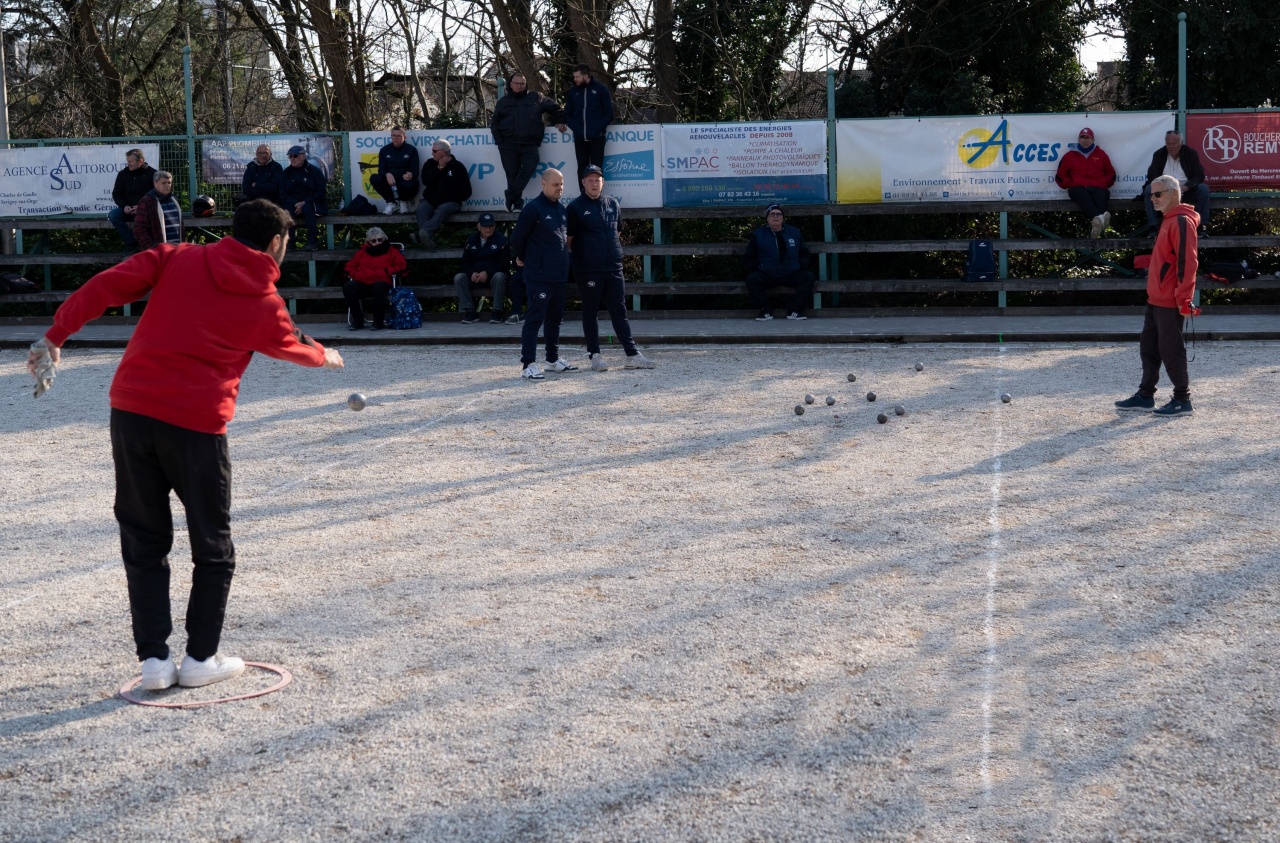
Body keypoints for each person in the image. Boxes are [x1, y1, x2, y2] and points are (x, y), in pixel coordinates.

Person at [26, 199, 344, 691]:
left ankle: (154, 661)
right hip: (197, 425)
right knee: (213, 545)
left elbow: (104, 286)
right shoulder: (266, 305)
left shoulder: (176, 256)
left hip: (132, 411)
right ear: (277, 242)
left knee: (143, 539)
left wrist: (56, 335)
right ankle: (200, 657)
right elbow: (295, 348)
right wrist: (325, 356)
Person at [1114, 175, 1199, 417]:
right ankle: (1145, 395)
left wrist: (1183, 298)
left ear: (1174, 193)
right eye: (1151, 194)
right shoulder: (1169, 220)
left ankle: (1182, 399)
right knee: (1149, 348)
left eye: (1157, 194)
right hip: (1156, 298)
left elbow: (1187, 263)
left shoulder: (1181, 221)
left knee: (1171, 350)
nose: (1152, 199)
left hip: (1170, 299)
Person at [567, 165, 654, 370]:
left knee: (619, 311)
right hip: (588, 269)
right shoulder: (574, 207)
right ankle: (595, 355)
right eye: (590, 180)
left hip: (613, 267)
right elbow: (569, 240)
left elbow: (617, 232)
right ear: (583, 182)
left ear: (603, 182)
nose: (594, 183)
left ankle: (632, 355)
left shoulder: (613, 204)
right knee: (590, 311)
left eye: (597, 180)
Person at [509, 168, 575, 379]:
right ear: (544, 184)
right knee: (534, 319)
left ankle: (552, 360)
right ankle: (528, 364)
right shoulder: (533, 209)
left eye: (561, 184)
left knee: (555, 319)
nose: (559, 188)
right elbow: (516, 239)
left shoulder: (561, 209)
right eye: (555, 184)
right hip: (539, 276)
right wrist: (523, 257)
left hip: (559, 275)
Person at [490, 73, 563, 213]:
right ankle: (517, 204)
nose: (519, 86)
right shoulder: (503, 102)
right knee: (511, 174)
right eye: (517, 83)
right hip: (508, 144)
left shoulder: (536, 97)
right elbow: (494, 123)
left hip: (530, 143)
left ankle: (510, 195)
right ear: (511, 84)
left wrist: (560, 121)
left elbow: (555, 108)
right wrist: (500, 141)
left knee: (530, 167)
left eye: (522, 84)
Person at [743, 204, 815, 321]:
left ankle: (794, 310)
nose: (775, 217)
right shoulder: (758, 234)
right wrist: (759, 267)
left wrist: (800, 265)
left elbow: (805, 254)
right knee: (752, 279)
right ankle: (765, 310)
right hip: (768, 274)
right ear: (767, 218)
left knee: (808, 277)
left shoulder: (795, 233)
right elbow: (749, 257)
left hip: (791, 273)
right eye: (772, 214)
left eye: (778, 214)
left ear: (783, 217)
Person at [1142, 131, 1211, 235]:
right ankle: (1153, 228)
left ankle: (1202, 226)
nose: (1171, 147)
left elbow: (1199, 175)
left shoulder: (1190, 153)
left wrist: (1187, 187)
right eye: (1168, 143)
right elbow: (1152, 175)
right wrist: (1164, 188)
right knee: (1149, 189)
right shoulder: (1159, 154)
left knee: (1204, 189)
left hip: (1186, 189)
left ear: (1181, 143)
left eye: (1174, 143)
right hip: (1165, 190)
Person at [556, 64, 615, 184]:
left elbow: (609, 114)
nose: (575, 79)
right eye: (574, 77)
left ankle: (597, 194)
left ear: (586, 76)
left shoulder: (601, 89)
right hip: (579, 138)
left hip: (597, 138)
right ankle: (583, 194)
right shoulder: (573, 92)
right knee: (582, 168)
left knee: (597, 169)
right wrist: (576, 128)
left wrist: (597, 128)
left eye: (577, 77)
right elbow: (568, 113)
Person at [1054, 127, 1116, 238]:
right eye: (1082, 137)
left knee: (1101, 194)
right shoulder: (1069, 156)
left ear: (1093, 140)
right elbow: (1060, 176)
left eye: (1088, 138)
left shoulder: (1101, 154)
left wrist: (1104, 182)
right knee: (1082, 195)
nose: (1085, 140)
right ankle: (1102, 218)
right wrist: (1070, 183)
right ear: (1078, 139)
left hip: (1098, 187)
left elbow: (1111, 174)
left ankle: (1097, 224)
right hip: (1078, 188)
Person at [343, 226, 406, 331]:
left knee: (379, 286)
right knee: (348, 287)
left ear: (384, 239)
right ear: (369, 242)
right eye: (374, 240)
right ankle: (357, 320)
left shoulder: (392, 251)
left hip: (384, 284)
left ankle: (378, 321)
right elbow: (349, 267)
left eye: (380, 239)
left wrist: (386, 271)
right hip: (364, 282)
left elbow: (402, 266)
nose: (377, 242)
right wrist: (358, 274)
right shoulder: (362, 252)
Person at [454, 212, 510, 324]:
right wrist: (471, 273)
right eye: (485, 226)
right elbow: (465, 262)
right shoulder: (471, 240)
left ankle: (497, 311)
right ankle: (470, 311)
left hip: (493, 277)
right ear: (479, 227)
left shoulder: (502, 240)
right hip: (475, 276)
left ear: (494, 226)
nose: (488, 229)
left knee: (500, 276)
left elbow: (504, 264)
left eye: (490, 226)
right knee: (459, 278)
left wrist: (487, 272)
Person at [416, 139, 472, 249]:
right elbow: (425, 181)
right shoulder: (430, 163)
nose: (432, 153)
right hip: (431, 201)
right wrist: (439, 168)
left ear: (443, 152)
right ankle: (427, 238)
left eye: (434, 151)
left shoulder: (458, 167)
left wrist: (454, 196)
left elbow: (467, 191)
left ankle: (421, 235)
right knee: (421, 209)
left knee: (442, 209)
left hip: (450, 202)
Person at [280, 144, 328, 248]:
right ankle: (290, 243)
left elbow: (321, 192)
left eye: (295, 156)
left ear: (303, 157)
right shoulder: (286, 173)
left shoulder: (314, 172)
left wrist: (304, 202)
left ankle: (312, 242)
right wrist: (296, 204)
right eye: (290, 156)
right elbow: (282, 193)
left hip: (310, 202)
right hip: (293, 203)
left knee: (308, 208)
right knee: (287, 211)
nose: (292, 158)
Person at [109, 149, 156, 251]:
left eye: (131, 161)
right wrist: (124, 206)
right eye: (127, 161)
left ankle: (149, 245)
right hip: (128, 209)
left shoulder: (153, 174)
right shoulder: (122, 174)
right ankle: (131, 242)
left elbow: (156, 194)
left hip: (146, 210)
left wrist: (142, 207)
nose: (128, 164)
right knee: (113, 215)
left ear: (140, 161)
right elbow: (116, 193)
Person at [370, 126, 420, 215]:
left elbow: (415, 171)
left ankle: (403, 202)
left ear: (404, 137)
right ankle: (392, 203)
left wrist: (410, 175)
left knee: (410, 183)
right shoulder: (384, 150)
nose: (396, 138)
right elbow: (381, 170)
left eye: (399, 136)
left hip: (404, 182)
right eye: (394, 136)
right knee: (374, 178)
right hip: (390, 182)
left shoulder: (411, 150)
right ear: (391, 136)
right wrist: (387, 174)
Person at [132, 170, 184, 250]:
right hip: (158, 251)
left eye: (169, 183)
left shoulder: (174, 200)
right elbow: (139, 229)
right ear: (155, 183)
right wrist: (151, 248)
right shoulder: (147, 201)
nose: (167, 185)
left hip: (177, 250)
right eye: (164, 183)